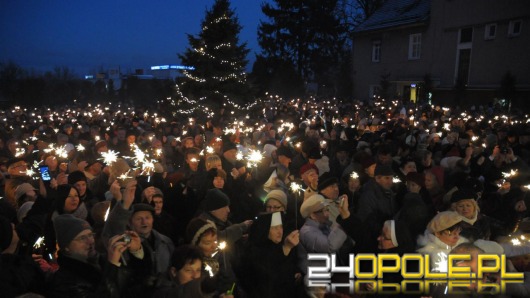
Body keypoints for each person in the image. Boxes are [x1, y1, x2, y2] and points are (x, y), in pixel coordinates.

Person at [48, 214, 144, 297]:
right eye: (82, 238)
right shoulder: (64, 280)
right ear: (66, 247)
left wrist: (136, 252)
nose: (90, 241)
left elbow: (133, 285)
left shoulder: (101, 260)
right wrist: (112, 265)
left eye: (90, 235)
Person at [240, 212, 302, 298]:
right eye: (275, 228)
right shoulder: (254, 251)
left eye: (281, 227)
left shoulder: (278, 246)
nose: (280, 231)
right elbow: (270, 280)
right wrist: (286, 248)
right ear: (264, 229)